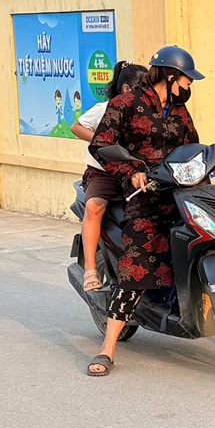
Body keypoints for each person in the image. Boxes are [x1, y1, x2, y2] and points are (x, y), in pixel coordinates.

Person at [85, 46, 204, 376]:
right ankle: (108, 347)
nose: (190, 86)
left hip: (181, 192)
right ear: (170, 76)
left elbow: (192, 145)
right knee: (137, 263)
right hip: (144, 195)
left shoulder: (179, 112)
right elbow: (100, 143)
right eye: (187, 79)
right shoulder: (125, 103)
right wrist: (130, 170)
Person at [71, 61, 149, 292]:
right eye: (142, 90)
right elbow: (77, 127)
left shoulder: (147, 114)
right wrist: (101, 140)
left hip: (135, 174)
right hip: (103, 174)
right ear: (127, 90)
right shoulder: (105, 109)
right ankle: (90, 269)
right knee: (95, 206)